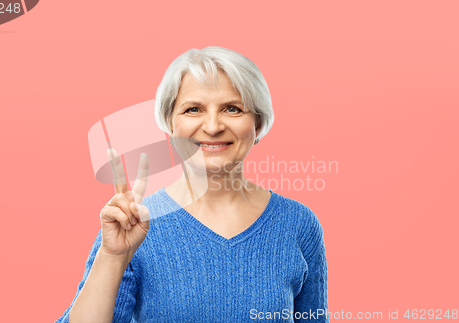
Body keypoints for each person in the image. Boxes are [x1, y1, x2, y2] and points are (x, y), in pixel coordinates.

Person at [55, 46, 329, 323]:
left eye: (232, 109)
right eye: (193, 109)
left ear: (257, 124)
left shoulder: (298, 224)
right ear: (170, 126)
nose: (212, 126)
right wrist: (113, 257)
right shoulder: (133, 222)